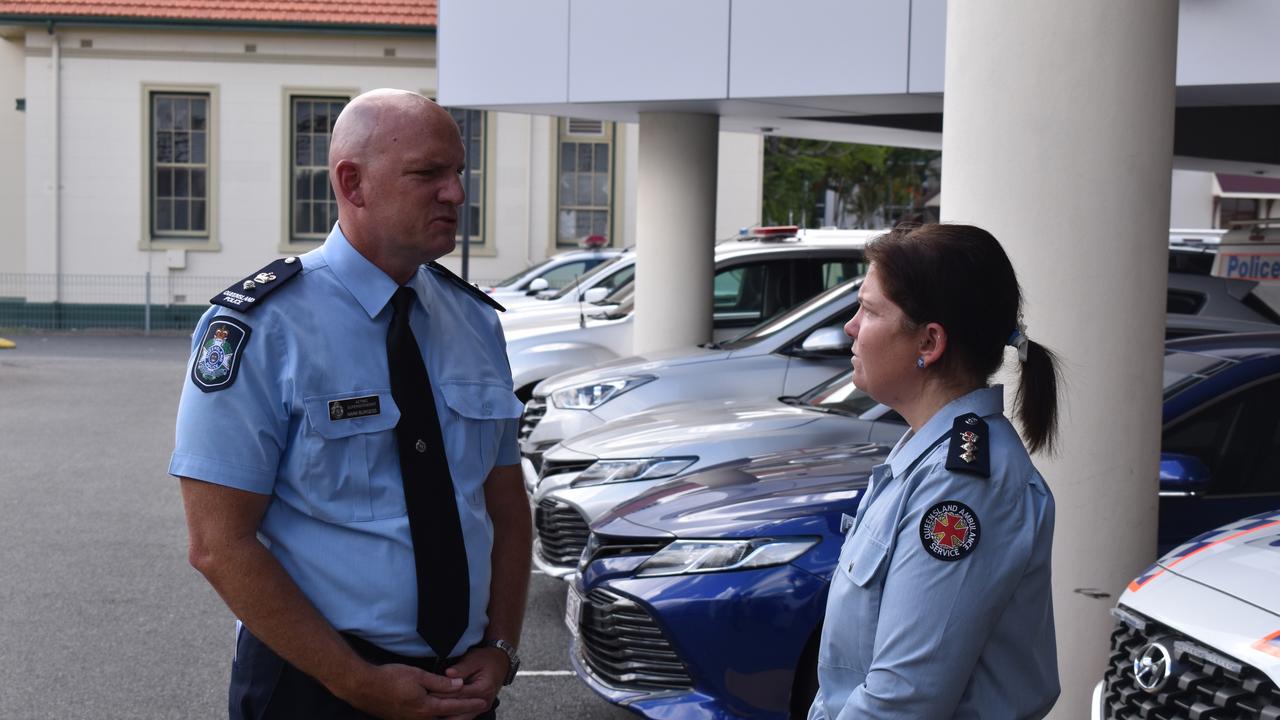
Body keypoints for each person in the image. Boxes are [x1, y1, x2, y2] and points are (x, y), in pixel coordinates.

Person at [170, 89, 531, 720]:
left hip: (462, 686)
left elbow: (504, 505)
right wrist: (355, 681)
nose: (455, 193)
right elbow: (218, 543)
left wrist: (501, 645)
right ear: (352, 182)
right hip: (315, 685)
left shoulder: (476, 322)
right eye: (428, 173)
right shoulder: (261, 328)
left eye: (458, 172)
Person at [808, 223, 1061, 719]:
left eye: (870, 309)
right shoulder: (927, 456)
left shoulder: (963, 487)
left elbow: (903, 700)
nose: (851, 327)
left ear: (929, 343)